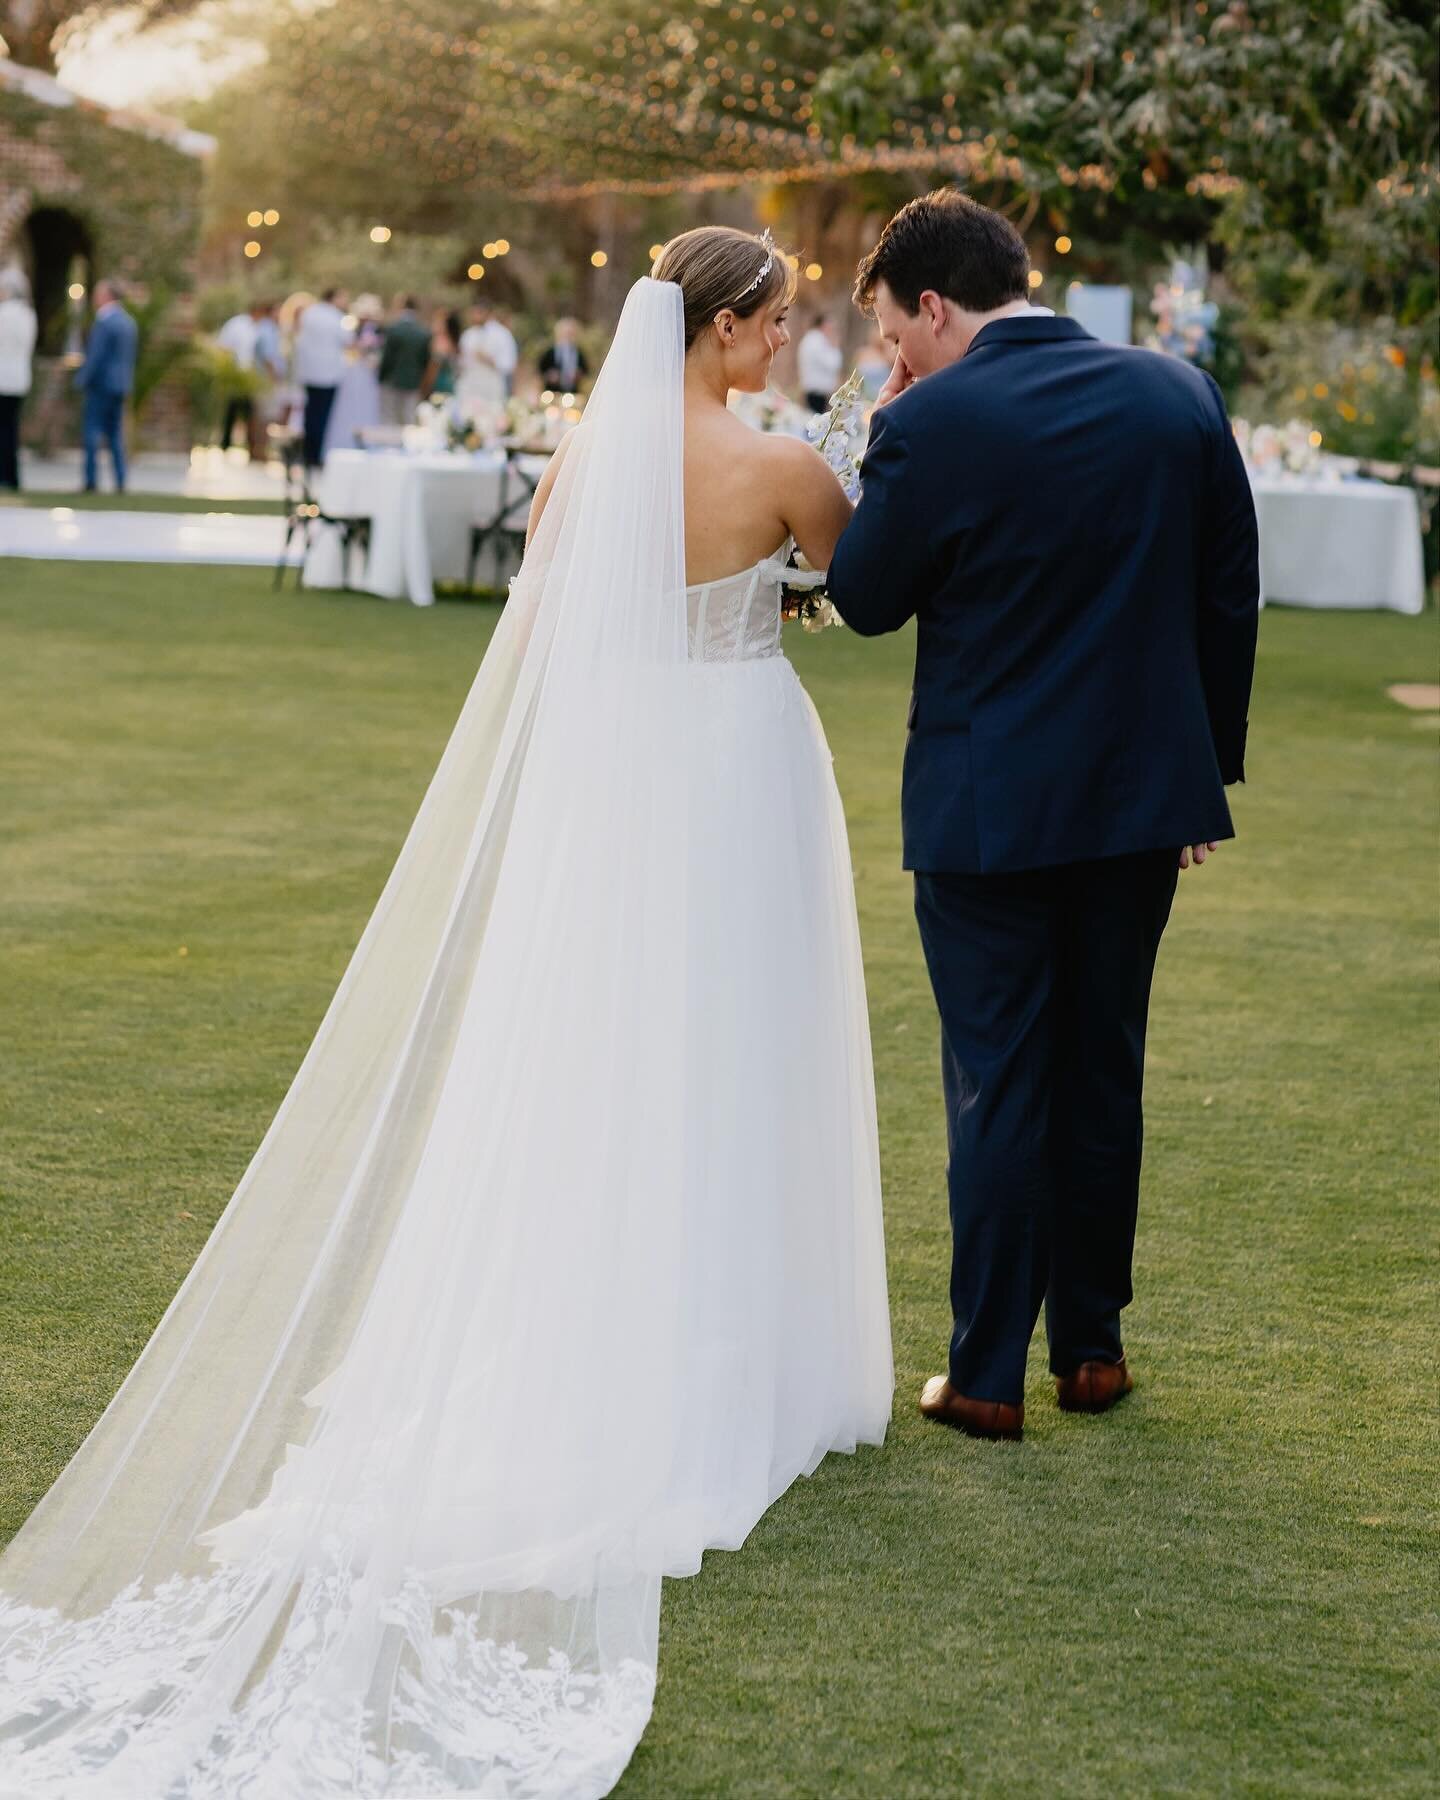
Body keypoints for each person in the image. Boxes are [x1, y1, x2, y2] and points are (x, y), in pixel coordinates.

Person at [0, 225, 891, 1798]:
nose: (784, 346)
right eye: (776, 324)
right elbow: (867, 580)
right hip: (737, 771)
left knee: (595, 1062)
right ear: (732, 329)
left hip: (614, 781)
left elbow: (549, 636)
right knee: (730, 1057)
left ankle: (580, 1320)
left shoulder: (586, 464)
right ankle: (718, 1359)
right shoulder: (781, 472)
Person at [829, 188, 1259, 1442]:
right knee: (1100, 1067)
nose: (888, 359)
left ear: (930, 303)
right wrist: (1202, 774)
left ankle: (982, 1378)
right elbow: (1228, 596)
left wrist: (885, 432)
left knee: (1000, 1079)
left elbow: (864, 598)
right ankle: (1093, 1355)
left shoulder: (933, 416)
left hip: (986, 809)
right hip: (1142, 804)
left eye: (892, 335)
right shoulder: (1178, 392)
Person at [75, 278, 138, 493]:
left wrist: (82, 380)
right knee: (115, 435)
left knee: (92, 433)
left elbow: (95, 356)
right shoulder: (129, 322)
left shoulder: (104, 322)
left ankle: (91, 481)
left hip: (101, 385)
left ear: (106, 296)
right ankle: (120, 481)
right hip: (120, 385)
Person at [293, 287, 349, 467]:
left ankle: (307, 452)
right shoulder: (335, 317)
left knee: (310, 415)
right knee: (322, 416)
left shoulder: (309, 314)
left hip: (309, 372)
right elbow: (347, 340)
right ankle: (315, 455)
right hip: (328, 374)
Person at [0, 269, 37, 491]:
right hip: (20, 378)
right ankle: (12, 475)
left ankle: (4, 474)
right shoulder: (28, 315)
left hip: (3, 378)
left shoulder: (4, 314)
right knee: (11, 428)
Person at [214, 302, 265, 453]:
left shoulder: (260, 327)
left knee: (250, 412)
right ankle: (225, 444)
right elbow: (224, 346)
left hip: (250, 377)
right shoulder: (237, 324)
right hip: (235, 375)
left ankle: (251, 446)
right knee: (231, 409)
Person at [377, 295, 431, 425]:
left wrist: (381, 377)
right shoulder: (423, 333)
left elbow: (387, 358)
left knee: (389, 418)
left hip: (392, 380)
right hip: (413, 381)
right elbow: (425, 360)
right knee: (409, 418)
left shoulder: (394, 329)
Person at [796, 310, 843, 412]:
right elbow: (833, 364)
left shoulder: (811, 339)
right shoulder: (817, 340)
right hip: (817, 392)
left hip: (814, 391)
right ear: (823, 324)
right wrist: (835, 346)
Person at [537, 315, 589, 391]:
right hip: (552, 392)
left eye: (570, 334)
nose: (568, 337)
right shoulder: (550, 352)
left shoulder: (579, 353)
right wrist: (549, 376)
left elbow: (585, 370)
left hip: (572, 393)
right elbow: (541, 369)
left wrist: (578, 375)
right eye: (565, 333)